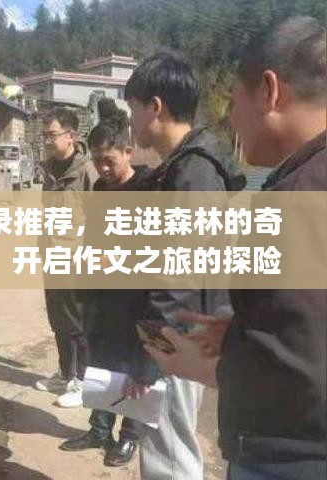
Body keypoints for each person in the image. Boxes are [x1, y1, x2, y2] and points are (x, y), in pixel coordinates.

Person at [144, 17, 326, 480]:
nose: (232, 121)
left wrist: (209, 367)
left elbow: (299, 374)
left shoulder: (296, 197)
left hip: (289, 457)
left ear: (269, 91)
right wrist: (247, 330)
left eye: (234, 102)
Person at [124, 51, 246, 479]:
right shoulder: (182, 168)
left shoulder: (194, 173)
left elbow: (180, 272)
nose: (131, 121)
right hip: (180, 330)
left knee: (170, 453)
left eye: (133, 108)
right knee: (166, 445)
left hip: (179, 336)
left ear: (155, 107)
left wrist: (153, 354)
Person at [59, 99, 151, 466]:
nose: (103, 168)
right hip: (104, 294)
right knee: (103, 363)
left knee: (134, 367)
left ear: (128, 151)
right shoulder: (100, 189)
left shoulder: (149, 187)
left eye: (109, 160)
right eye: (97, 161)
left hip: (137, 297)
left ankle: (129, 436)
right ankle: (99, 429)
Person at [35, 107, 98, 408]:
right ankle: (64, 372)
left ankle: (83, 381)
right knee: (57, 318)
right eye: (45, 135)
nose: (47, 140)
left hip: (76, 257)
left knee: (78, 322)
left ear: (71, 136)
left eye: (52, 135)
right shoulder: (49, 168)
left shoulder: (87, 171)